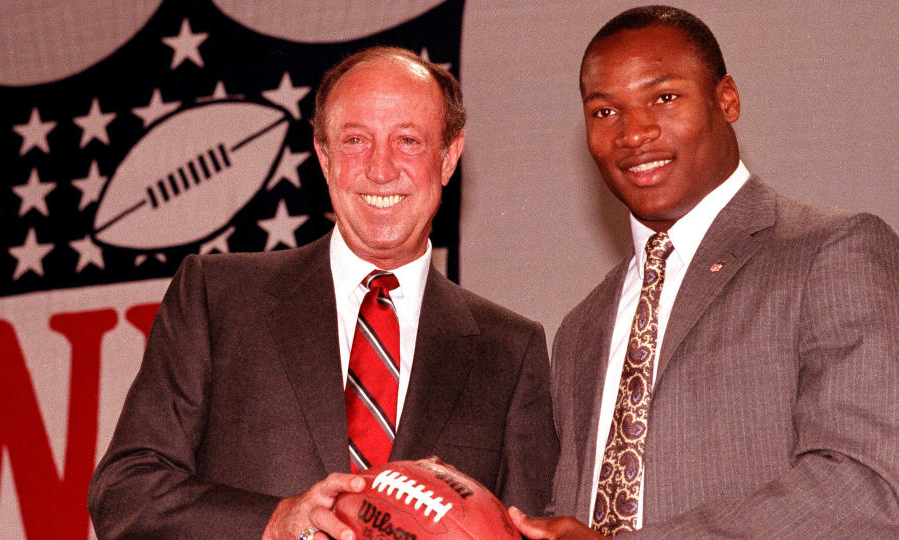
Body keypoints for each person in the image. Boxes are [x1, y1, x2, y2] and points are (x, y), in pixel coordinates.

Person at [88, 46, 558, 540]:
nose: (380, 169)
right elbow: (124, 493)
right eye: (356, 140)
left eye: (409, 141)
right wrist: (275, 522)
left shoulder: (509, 351)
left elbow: (529, 528)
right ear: (324, 155)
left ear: (448, 157)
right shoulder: (218, 297)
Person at [509, 5, 899, 539]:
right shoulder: (581, 327)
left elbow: (867, 488)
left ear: (727, 98)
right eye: (604, 112)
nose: (634, 133)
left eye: (664, 98)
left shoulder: (831, 252)